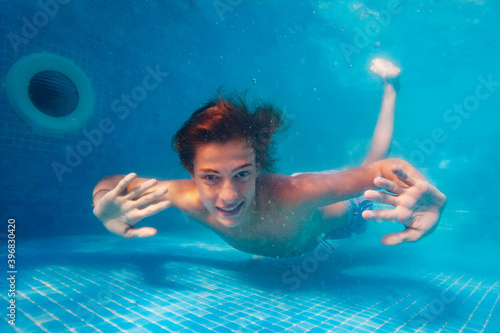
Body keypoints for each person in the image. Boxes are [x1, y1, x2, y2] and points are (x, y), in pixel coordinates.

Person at [92, 59, 446, 258]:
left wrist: (424, 195)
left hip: (342, 215)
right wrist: (103, 204)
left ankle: (390, 89)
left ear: (259, 167)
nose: (229, 196)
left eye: (242, 174)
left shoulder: (297, 193)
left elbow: (382, 169)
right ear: (191, 172)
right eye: (211, 177)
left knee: (368, 162)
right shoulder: (183, 196)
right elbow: (111, 185)